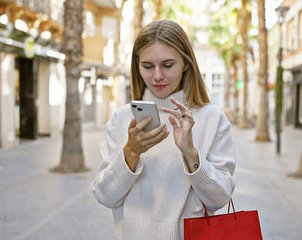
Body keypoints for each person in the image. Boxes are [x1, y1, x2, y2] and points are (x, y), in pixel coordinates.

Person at [92, 19, 236, 240]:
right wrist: (130, 153)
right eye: (148, 66)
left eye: (168, 65)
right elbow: (105, 196)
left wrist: (191, 154)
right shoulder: (122, 119)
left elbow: (219, 199)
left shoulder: (212, 119)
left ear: (186, 63)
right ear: (137, 64)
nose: (157, 76)